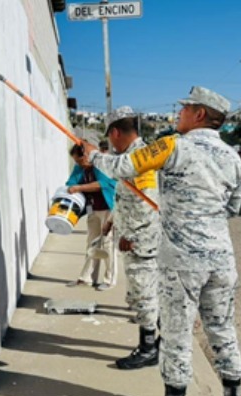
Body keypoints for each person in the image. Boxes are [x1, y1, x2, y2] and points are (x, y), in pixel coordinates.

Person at [81, 86, 241, 396]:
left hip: (183, 260)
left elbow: (124, 165)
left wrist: (94, 155)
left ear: (200, 114)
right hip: (221, 258)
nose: (179, 113)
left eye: (185, 108)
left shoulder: (173, 145)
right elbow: (233, 207)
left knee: (175, 332)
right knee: (222, 328)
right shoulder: (233, 156)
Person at [103, 107, 162, 370]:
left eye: (110, 138)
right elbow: (126, 197)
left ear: (115, 132)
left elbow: (145, 201)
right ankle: (161, 341)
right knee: (144, 293)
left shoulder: (140, 157)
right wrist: (113, 220)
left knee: (144, 294)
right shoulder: (132, 156)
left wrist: (131, 235)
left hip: (141, 242)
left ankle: (149, 348)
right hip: (137, 237)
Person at [65, 145, 118, 290]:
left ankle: (109, 280)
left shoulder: (101, 164)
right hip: (93, 208)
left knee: (108, 243)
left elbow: (103, 184)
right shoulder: (81, 167)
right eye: (76, 162)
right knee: (92, 243)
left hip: (108, 208)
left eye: (80, 161)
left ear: (86, 155)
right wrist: (73, 187)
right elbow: (71, 182)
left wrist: (80, 188)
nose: (79, 164)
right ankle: (87, 278)